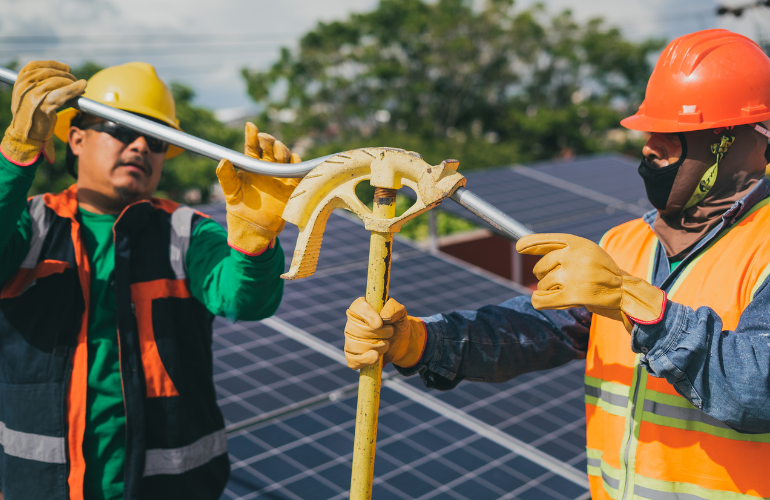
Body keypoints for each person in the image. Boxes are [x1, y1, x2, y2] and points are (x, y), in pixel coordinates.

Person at [343, 29, 770, 500]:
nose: (650, 146)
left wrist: (629, 298)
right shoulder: (624, 243)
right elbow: (536, 330)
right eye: (650, 131)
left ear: (733, 145)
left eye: (673, 136)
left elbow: (754, 390)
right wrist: (418, 341)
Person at [0, 61, 300, 500]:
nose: (141, 144)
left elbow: (245, 300)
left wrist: (256, 242)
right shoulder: (28, 225)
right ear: (76, 138)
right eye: (121, 128)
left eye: (156, 139)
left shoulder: (188, 232)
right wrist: (15, 154)